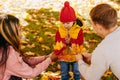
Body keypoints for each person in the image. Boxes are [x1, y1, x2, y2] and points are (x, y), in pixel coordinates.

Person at [0, 14, 57, 80]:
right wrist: (49, 60)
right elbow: (31, 73)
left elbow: (25, 61)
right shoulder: (10, 56)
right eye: (19, 29)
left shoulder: (5, 49)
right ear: (11, 34)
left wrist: (46, 58)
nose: (21, 32)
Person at [76, 3, 120, 80]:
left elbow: (91, 77)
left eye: (92, 25)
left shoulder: (103, 49)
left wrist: (80, 61)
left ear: (99, 27)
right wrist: (94, 57)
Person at [53, 1, 84, 80]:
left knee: (77, 71)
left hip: (75, 55)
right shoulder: (59, 30)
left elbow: (80, 42)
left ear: (73, 21)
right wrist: (63, 41)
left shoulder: (78, 30)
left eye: (67, 23)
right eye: (63, 23)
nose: (65, 25)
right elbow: (57, 42)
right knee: (64, 72)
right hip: (64, 56)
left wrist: (71, 41)